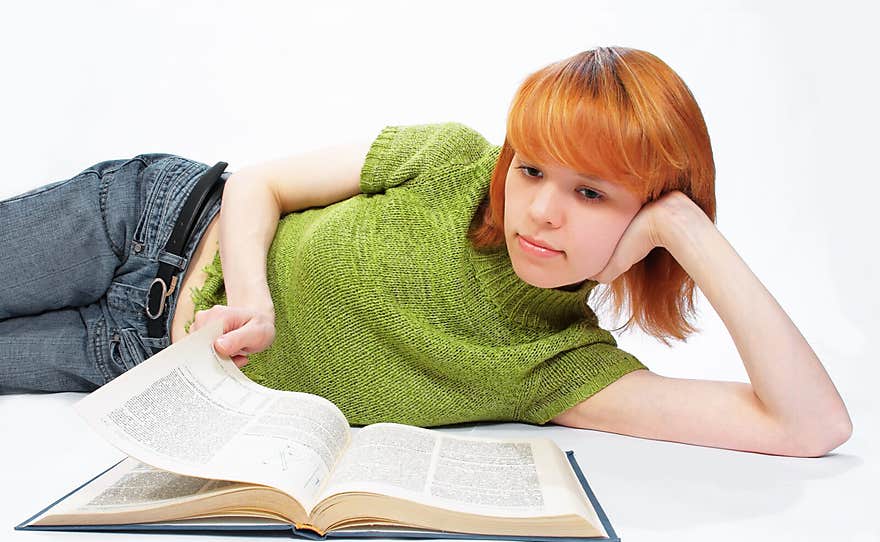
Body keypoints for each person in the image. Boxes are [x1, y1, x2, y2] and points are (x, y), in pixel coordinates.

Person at [0, 46, 851, 457]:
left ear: (648, 220)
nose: (541, 210)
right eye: (534, 168)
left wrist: (690, 230)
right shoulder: (450, 163)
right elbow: (255, 183)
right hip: (149, 220)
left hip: (136, 358)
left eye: (592, 192)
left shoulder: (560, 368)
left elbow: (810, 426)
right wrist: (253, 299)